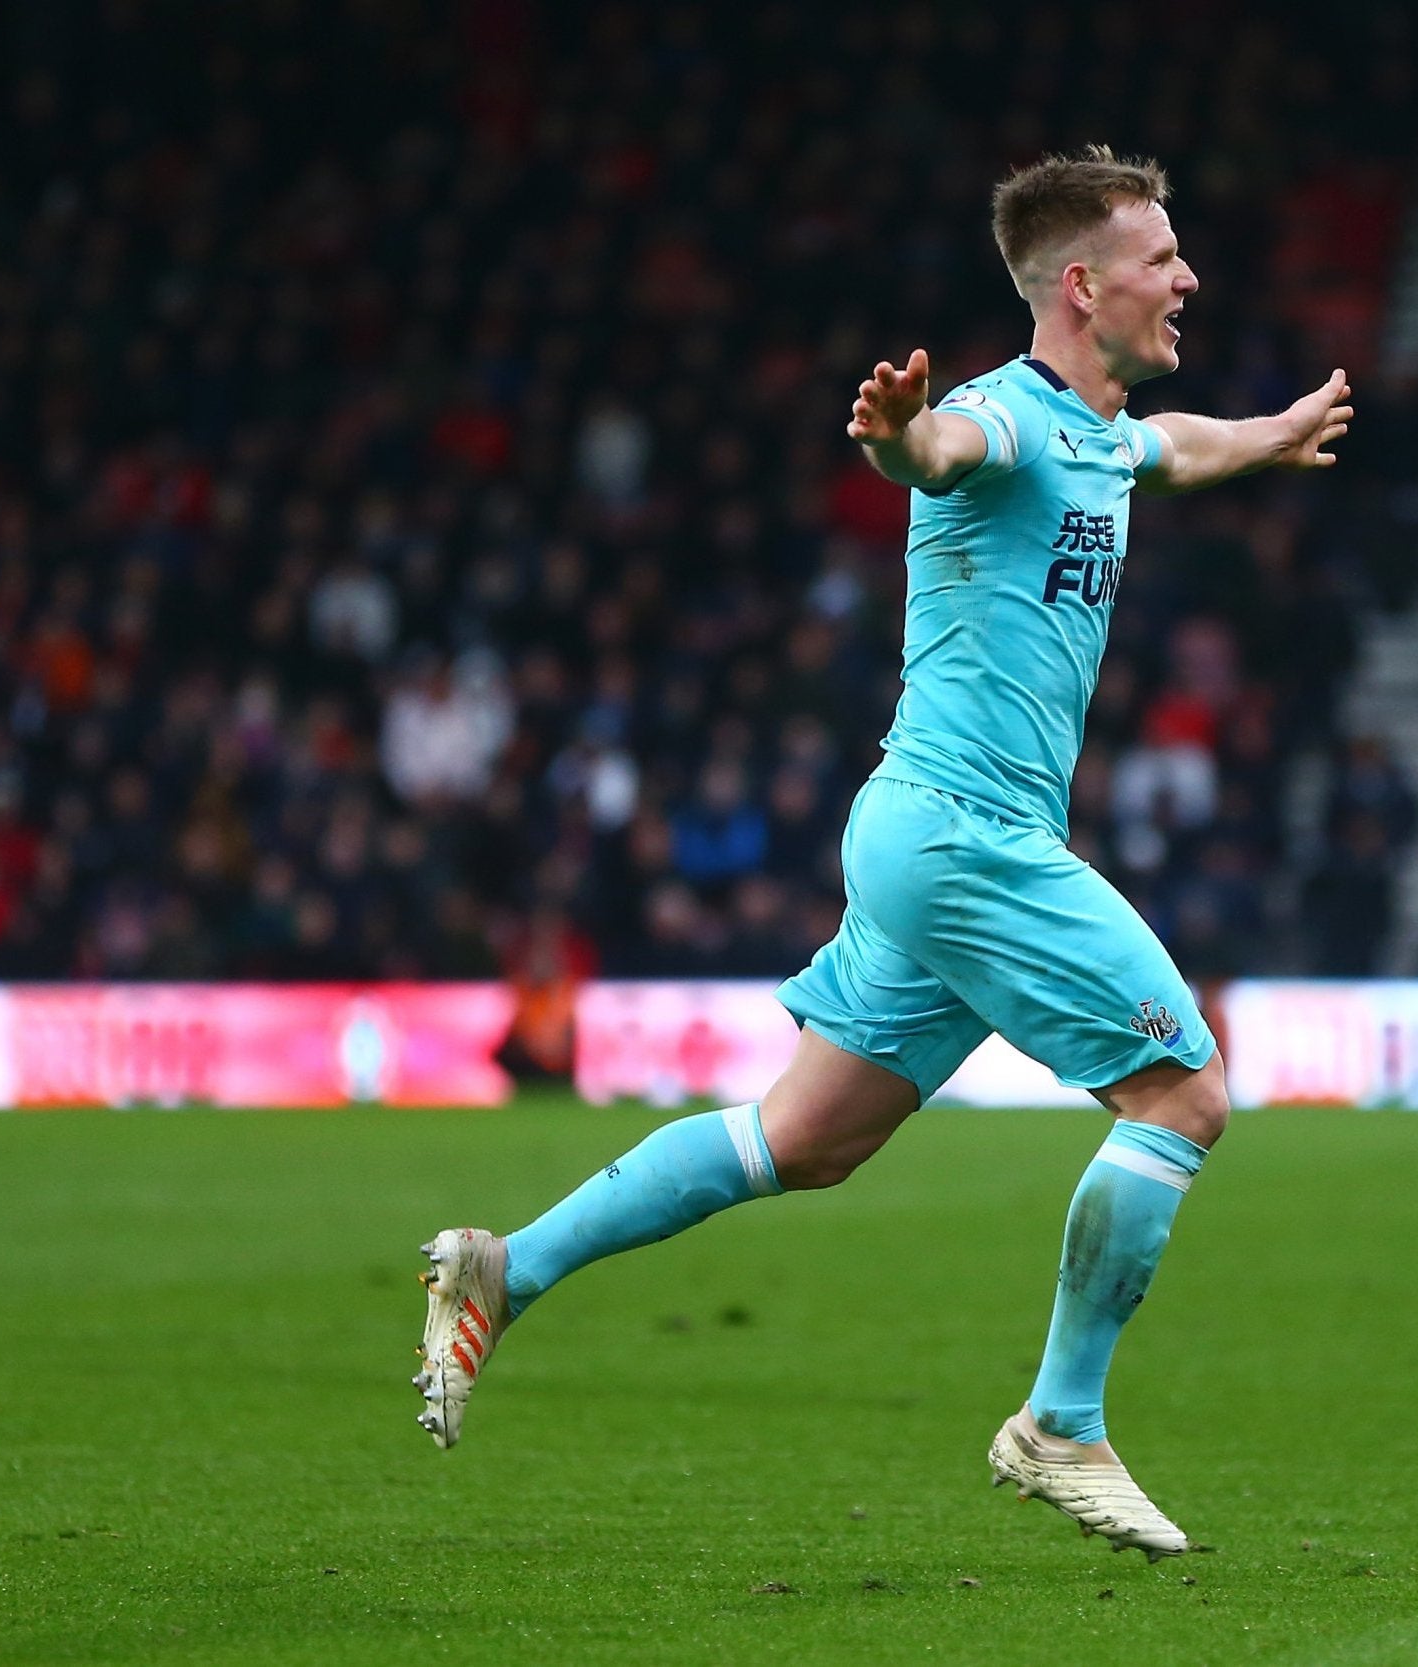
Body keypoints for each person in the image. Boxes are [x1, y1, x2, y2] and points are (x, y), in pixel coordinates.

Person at [414, 148, 1353, 1562]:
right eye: (1162, 256)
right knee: (1182, 1093)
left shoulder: (1104, 434)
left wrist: (1271, 432)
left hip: (925, 837)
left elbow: (1178, 448)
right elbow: (937, 454)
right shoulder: (1003, 421)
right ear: (1083, 286)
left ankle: (509, 1267)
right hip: (967, 837)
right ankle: (1061, 1419)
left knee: (802, 1141)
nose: (1188, 276)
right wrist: (891, 441)